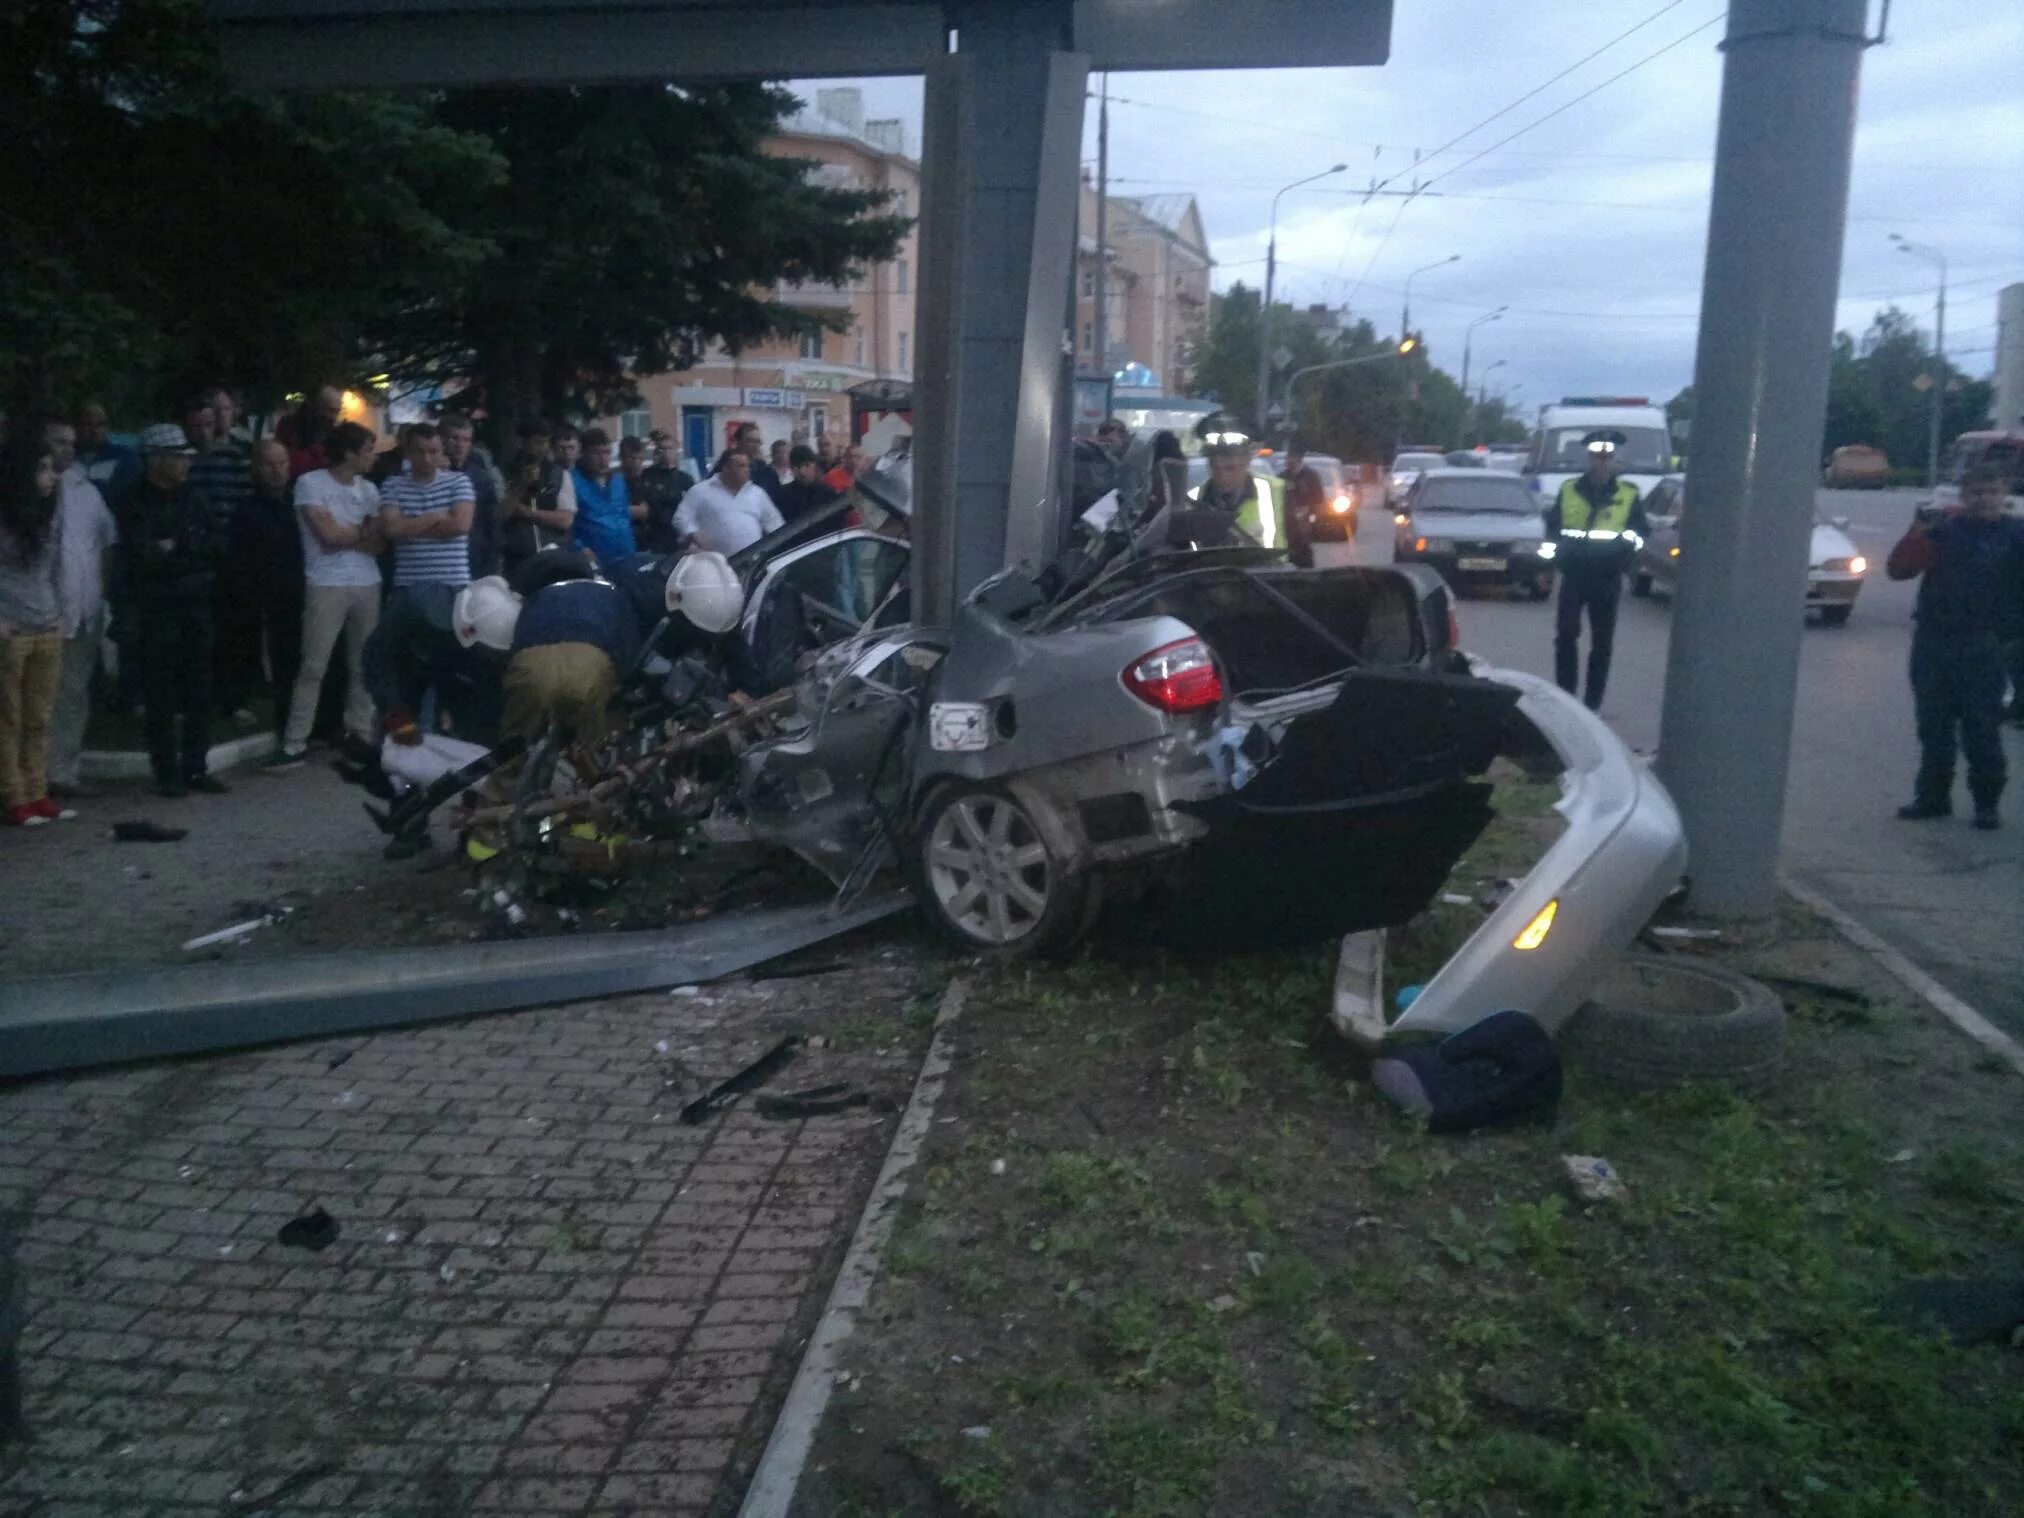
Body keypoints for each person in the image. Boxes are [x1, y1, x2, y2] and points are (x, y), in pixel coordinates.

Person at [1886, 464, 2024, 830]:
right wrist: (1917, 531)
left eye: (1992, 492)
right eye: (1977, 492)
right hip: (1934, 641)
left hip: (1985, 645)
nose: (1984, 499)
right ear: (1964, 496)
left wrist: (2011, 637)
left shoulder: (2016, 535)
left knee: (1982, 728)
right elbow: (1899, 570)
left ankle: (1986, 804)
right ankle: (1932, 798)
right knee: (1933, 726)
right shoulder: (1943, 530)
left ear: (2004, 495)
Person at [117, 425, 228, 796]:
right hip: (156, 609)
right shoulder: (133, 501)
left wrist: (177, 546)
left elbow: (213, 543)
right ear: (156, 460)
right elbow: (143, 556)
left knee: (200, 691)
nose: (185, 464)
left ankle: (196, 766)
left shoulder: (193, 498)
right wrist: (183, 547)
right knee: (160, 693)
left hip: (196, 604)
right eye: (178, 457)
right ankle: (166, 770)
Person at [270, 421, 383, 769]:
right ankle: (294, 741)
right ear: (348, 453)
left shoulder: (370, 491)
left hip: (367, 581)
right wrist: (361, 531)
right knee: (314, 664)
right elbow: (326, 535)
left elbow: (380, 542)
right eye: (366, 451)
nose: (371, 458)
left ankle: (360, 732)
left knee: (363, 664)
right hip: (325, 581)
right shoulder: (310, 484)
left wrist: (353, 532)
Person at [1542, 432, 1649, 712]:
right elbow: (1553, 527)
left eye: (1606, 457)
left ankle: (1592, 705)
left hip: (1607, 577)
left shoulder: (1627, 493)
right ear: (1589, 458)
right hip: (1574, 574)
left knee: (1602, 644)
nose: (1601, 463)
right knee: (1566, 635)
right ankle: (1565, 698)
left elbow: (1640, 532)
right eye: (1596, 457)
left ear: (1613, 459)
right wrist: (1554, 557)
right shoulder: (1569, 489)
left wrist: (1624, 553)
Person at [43, 419, 117, 802]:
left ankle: (62, 771)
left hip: (83, 611)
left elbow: (106, 542)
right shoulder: (23, 489)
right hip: (36, 613)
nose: (67, 449)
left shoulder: (85, 491)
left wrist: (98, 595)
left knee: (72, 694)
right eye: (58, 442)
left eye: (71, 443)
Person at [0, 435, 70, 826]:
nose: (50, 477)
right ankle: (14, 795)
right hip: (11, 626)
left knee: (39, 715)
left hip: (46, 620)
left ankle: (37, 789)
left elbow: (57, 563)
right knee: (9, 716)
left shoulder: (50, 512)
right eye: (42, 469)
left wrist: (60, 612)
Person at [230, 441, 309, 757]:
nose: (277, 471)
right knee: (281, 665)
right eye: (269, 464)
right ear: (256, 468)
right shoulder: (247, 510)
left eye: (282, 463)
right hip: (267, 598)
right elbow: (239, 559)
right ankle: (283, 725)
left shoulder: (299, 503)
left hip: (304, 592)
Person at [183, 389, 258, 715]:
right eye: (197, 424)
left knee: (231, 629)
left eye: (209, 422)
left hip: (231, 551)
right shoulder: (184, 459)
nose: (204, 430)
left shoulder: (236, 454)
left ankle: (232, 696)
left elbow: (244, 499)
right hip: (196, 552)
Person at [1180, 414, 1282, 550]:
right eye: (1212, 456)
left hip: (1268, 571)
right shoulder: (1190, 502)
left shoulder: (1281, 494)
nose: (1219, 463)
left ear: (1248, 457)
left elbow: (1303, 558)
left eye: (1228, 458)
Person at [672, 448, 783, 556]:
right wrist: (694, 533)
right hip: (713, 562)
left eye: (748, 466)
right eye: (741, 466)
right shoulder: (701, 491)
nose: (747, 470)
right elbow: (680, 518)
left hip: (751, 564)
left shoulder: (757, 493)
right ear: (726, 468)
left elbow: (774, 522)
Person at [440, 414, 503, 578]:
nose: (460, 445)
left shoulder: (481, 477)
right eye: (454, 438)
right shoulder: (429, 474)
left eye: (466, 440)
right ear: (441, 439)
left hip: (475, 558)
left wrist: (491, 560)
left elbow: (492, 521)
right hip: (439, 559)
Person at [499, 445, 578, 573]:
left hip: (553, 556)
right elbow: (501, 514)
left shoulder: (558, 475)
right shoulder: (506, 475)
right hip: (517, 559)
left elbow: (566, 520)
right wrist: (521, 485)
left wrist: (530, 513)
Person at [568, 427, 635, 562]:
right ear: (583, 453)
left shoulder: (618, 481)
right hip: (594, 558)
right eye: (596, 453)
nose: (603, 459)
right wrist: (579, 547)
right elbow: (567, 523)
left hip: (626, 553)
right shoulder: (571, 480)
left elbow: (624, 514)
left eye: (607, 453)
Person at [623, 435, 689, 554]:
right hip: (654, 534)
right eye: (662, 449)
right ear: (657, 452)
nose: (666, 453)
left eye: (670, 448)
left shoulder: (685, 479)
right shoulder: (648, 475)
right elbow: (640, 503)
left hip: (677, 534)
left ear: (676, 450)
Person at [73, 401, 139, 512]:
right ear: (77, 427)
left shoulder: (124, 457)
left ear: (108, 427)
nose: (95, 430)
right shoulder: (67, 456)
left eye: (100, 424)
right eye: (88, 424)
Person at [276, 385, 345, 479]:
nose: (333, 417)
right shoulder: (289, 425)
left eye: (337, 411)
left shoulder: (335, 434)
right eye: (329, 410)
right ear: (316, 406)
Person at [1279, 441, 1327, 568]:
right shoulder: (1282, 477)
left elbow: (1320, 502)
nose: (1287, 460)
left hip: (1304, 526)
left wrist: (1310, 513)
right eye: (1286, 457)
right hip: (1286, 526)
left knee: (1304, 557)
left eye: (1289, 457)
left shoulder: (1311, 477)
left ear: (1297, 458)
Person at [718, 421, 784, 506]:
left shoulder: (768, 473)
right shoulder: (725, 468)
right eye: (750, 441)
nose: (755, 445)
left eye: (757, 441)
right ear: (739, 442)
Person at [777, 444, 842, 523]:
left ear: (814, 465)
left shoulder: (827, 493)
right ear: (791, 469)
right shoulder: (783, 495)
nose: (802, 472)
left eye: (807, 466)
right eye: (797, 467)